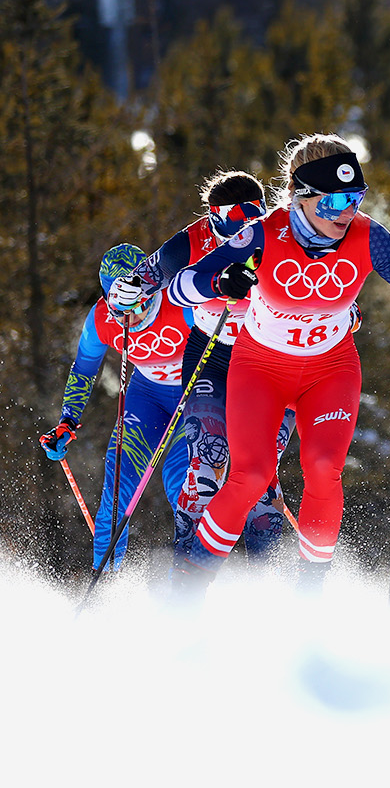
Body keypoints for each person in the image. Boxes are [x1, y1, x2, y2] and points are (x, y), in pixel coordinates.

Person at [166, 133, 390, 598]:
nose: (346, 211)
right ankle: (187, 588)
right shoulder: (262, 233)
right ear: (303, 195)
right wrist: (221, 280)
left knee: (322, 469)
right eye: (335, 200)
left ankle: (307, 601)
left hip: (330, 370)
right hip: (260, 369)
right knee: (250, 477)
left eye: (355, 198)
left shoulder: (368, 235)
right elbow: (181, 288)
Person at [112, 170, 295, 572]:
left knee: (261, 471)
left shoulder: (277, 233)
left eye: (255, 213)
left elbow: (326, 291)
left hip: (271, 358)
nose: (245, 226)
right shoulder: (195, 239)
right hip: (213, 353)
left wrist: (345, 313)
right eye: (235, 217)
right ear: (214, 216)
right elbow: (149, 273)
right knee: (206, 462)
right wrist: (129, 289)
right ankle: (187, 571)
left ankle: (268, 578)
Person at [39, 244, 194, 570]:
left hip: (194, 394)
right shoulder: (100, 320)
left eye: (138, 301)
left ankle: (192, 577)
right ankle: (106, 584)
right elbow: (83, 370)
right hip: (147, 397)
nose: (131, 315)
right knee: (117, 486)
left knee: (180, 480)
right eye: (118, 304)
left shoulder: (181, 299)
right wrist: (67, 422)